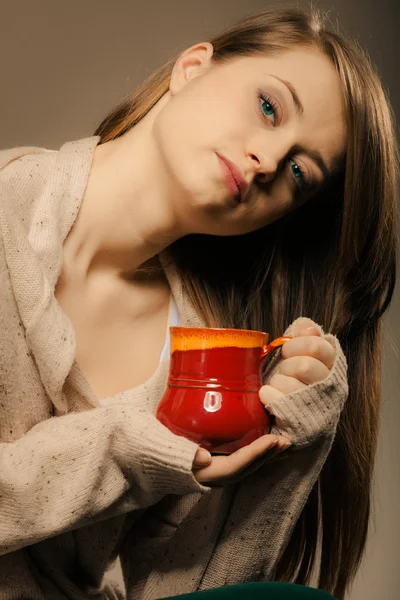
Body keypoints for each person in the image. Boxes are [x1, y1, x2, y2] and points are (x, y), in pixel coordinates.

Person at [0, 5, 397, 600]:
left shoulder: (206, 349)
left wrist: (289, 443)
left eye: (299, 171)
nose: (268, 160)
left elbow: (198, 592)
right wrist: (132, 451)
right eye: (269, 107)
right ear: (193, 67)